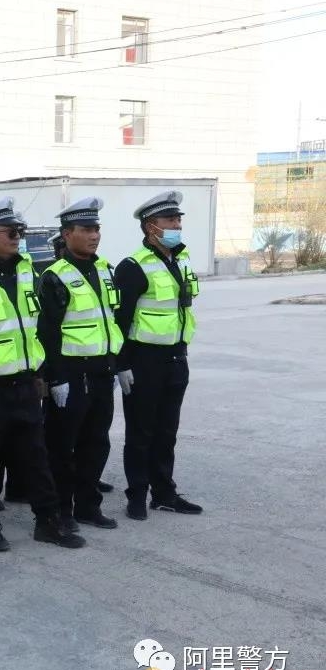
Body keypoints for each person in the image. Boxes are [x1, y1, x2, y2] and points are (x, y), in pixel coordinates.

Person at [0, 198, 85, 551]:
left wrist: (39, 372)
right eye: (9, 231)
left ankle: (48, 522)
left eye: (19, 231)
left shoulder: (27, 271)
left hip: (25, 382)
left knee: (36, 457)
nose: (17, 237)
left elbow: (33, 328)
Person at [114, 191, 203, 520]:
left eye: (178, 219)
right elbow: (120, 320)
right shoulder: (133, 267)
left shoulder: (181, 260)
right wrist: (121, 364)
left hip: (176, 359)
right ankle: (137, 495)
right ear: (150, 226)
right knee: (141, 433)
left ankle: (164, 493)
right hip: (144, 361)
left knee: (167, 432)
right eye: (170, 220)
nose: (177, 225)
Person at [37, 197, 121, 531]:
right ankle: (62, 510)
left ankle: (88, 505)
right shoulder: (54, 277)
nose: (94, 235)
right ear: (67, 234)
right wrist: (55, 378)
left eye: (96, 228)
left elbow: (111, 320)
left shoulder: (105, 270)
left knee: (96, 443)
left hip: (101, 372)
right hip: (72, 375)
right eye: (85, 229)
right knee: (62, 447)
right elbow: (47, 333)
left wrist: (118, 364)